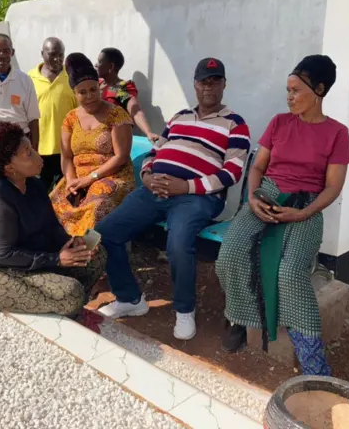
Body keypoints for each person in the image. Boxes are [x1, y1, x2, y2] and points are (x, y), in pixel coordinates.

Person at [96, 58, 251, 341]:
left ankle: (184, 309)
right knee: (106, 232)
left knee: (178, 242)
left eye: (215, 80)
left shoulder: (235, 124)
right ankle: (130, 299)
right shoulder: (179, 117)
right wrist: (146, 175)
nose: (209, 87)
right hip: (154, 188)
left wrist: (187, 187)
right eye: (204, 81)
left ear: (224, 85)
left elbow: (233, 172)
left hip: (198, 198)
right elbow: (155, 152)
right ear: (195, 84)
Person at [215, 55, 349, 376]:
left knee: (290, 274)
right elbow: (258, 167)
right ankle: (241, 318)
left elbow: (333, 187)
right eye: (287, 91)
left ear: (319, 89)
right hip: (267, 195)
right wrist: (252, 197)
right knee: (230, 256)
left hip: (307, 205)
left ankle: (312, 358)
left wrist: (303, 212)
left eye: (295, 90)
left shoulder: (337, 132)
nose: (289, 97)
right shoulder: (279, 123)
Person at [0, 121, 106, 318]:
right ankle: (67, 304)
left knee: (97, 254)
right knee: (71, 293)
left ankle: (67, 306)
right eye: (28, 153)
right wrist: (56, 260)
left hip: (34, 261)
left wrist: (70, 242)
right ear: (9, 167)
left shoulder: (34, 186)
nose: (38, 156)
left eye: (32, 149)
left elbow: (51, 227)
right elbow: (4, 254)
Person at [50, 53, 135, 236]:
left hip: (113, 176)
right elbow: (66, 156)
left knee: (95, 205)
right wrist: (72, 180)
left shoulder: (116, 115)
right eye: (82, 92)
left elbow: (121, 157)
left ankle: (92, 258)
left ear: (100, 87)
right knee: (53, 202)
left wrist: (91, 178)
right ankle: (63, 253)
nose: (89, 96)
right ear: (75, 93)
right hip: (78, 177)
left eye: (93, 89)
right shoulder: (70, 118)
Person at [28, 37, 77, 191]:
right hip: (38, 149)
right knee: (38, 193)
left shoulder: (72, 77)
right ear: (42, 54)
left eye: (61, 55)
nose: (57, 59)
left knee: (64, 194)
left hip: (67, 150)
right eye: (52, 54)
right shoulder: (28, 78)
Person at [95, 47, 159, 142]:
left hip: (113, 140)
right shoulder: (96, 84)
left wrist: (148, 132)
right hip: (93, 137)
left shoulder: (121, 88)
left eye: (100, 62)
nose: (96, 65)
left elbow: (135, 110)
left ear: (111, 67)